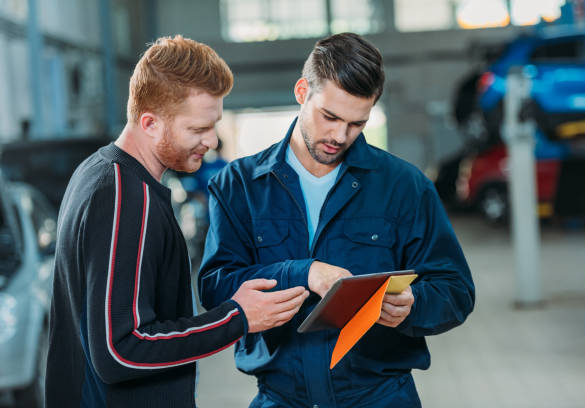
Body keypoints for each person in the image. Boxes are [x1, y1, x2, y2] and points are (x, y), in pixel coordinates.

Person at [199, 32, 475, 407]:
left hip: (379, 397)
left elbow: (455, 289)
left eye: (357, 123)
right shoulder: (237, 187)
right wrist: (303, 273)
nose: (339, 136)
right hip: (281, 397)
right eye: (329, 116)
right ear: (302, 92)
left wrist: (414, 304)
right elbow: (217, 287)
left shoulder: (404, 186)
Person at [45, 35, 309, 408]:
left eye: (214, 125)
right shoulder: (123, 196)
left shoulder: (100, 174)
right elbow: (120, 350)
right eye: (198, 129)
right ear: (150, 123)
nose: (212, 140)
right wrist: (237, 317)